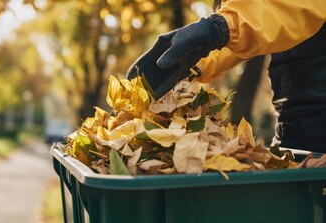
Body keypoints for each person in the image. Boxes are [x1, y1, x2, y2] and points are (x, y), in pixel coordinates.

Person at [127, 0, 326, 153]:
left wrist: (219, 27)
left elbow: (299, 7)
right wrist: (195, 58)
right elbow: (265, 20)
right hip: (295, 128)